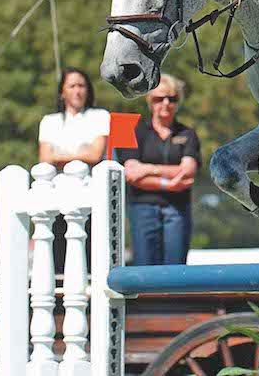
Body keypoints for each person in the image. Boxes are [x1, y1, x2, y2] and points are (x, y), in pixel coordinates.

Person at [117, 75, 200, 265]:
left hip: (177, 209)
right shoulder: (131, 129)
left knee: (175, 270)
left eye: (171, 98)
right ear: (149, 100)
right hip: (142, 207)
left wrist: (147, 168)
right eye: (158, 98)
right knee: (144, 268)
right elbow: (131, 174)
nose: (165, 103)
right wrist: (169, 183)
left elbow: (187, 172)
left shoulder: (188, 134)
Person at [38, 67, 110, 269]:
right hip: (58, 194)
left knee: (90, 251)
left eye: (81, 86)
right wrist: (81, 152)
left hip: (91, 193)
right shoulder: (49, 121)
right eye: (72, 86)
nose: (77, 91)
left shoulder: (100, 116)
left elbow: (95, 155)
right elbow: (44, 158)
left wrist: (60, 155)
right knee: (59, 249)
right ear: (62, 92)